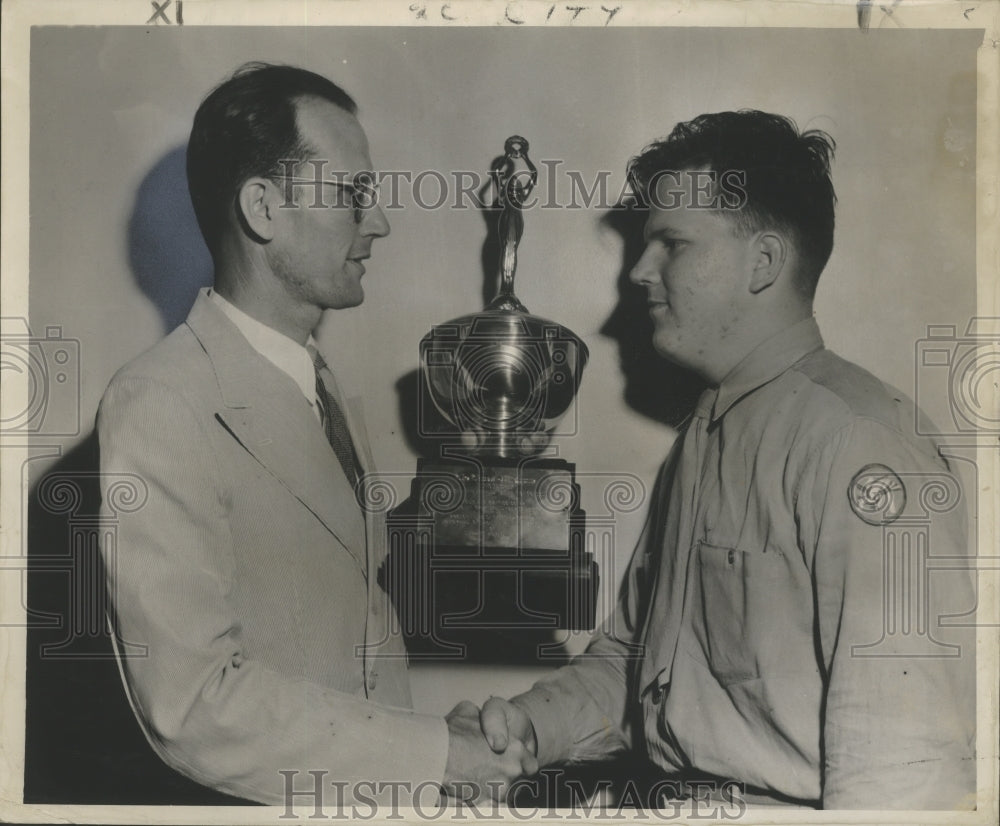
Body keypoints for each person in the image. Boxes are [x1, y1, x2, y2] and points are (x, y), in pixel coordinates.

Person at [473, 110, 977, 809]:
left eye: (670, 244)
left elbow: (907, 766)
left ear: (763, 262)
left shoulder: (860, 444)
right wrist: (527, 725)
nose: (641, 273)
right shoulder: (703, 435)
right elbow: (630, 663)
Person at [97, 62, 533, 807]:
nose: (381, 221)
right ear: (264, 209)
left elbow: (345, 641)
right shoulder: (159, 403)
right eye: (354, 195)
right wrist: (433, 757)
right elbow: (193, 704)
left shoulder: (318, 384)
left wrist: (435, 746)